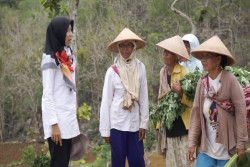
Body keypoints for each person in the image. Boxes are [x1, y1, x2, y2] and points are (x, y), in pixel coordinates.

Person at [187, 36, 248, 167]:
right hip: (207, 149)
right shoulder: (202, 83)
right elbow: (196, 114)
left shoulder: (230, 80)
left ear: (218, 59)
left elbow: (241, 111)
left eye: (207, 56)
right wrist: (192, 143)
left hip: (228, 149)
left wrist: (241, 143)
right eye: (202, 56)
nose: (203, 60)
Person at [99, 28, 149, 167]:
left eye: (128, 45)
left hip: (134, 124)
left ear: (133, 47)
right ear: (118, 48)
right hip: (117, 123)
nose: (125, 49)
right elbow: (106, 101)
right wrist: (105, 129)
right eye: (122, 45)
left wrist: (143, 123)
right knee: (118, 162)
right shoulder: (112, 71)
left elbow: (143, 97)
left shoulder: (140, 68)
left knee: (137, 161)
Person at [41, 16, 80, 167]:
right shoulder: (50, 59)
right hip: (57, 123)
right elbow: (47, 95)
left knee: (64, 162)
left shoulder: (68, 56)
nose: (70, 34)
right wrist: (54, 125)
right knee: (58, 163)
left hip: (67, 120)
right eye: (67, 31)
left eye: (71, 30)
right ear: (58, 33)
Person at [156, 35, 194, 167]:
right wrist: (158, 126)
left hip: (184, 127)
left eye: (169, 52)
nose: (165, 55)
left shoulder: (185, 73)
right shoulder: (162, 72)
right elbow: (161, 101)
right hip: (169, 127)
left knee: (187, 162)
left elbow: (192, 102)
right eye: (164, 52)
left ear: (176, 56)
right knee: (173, 163)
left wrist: (180, 92)